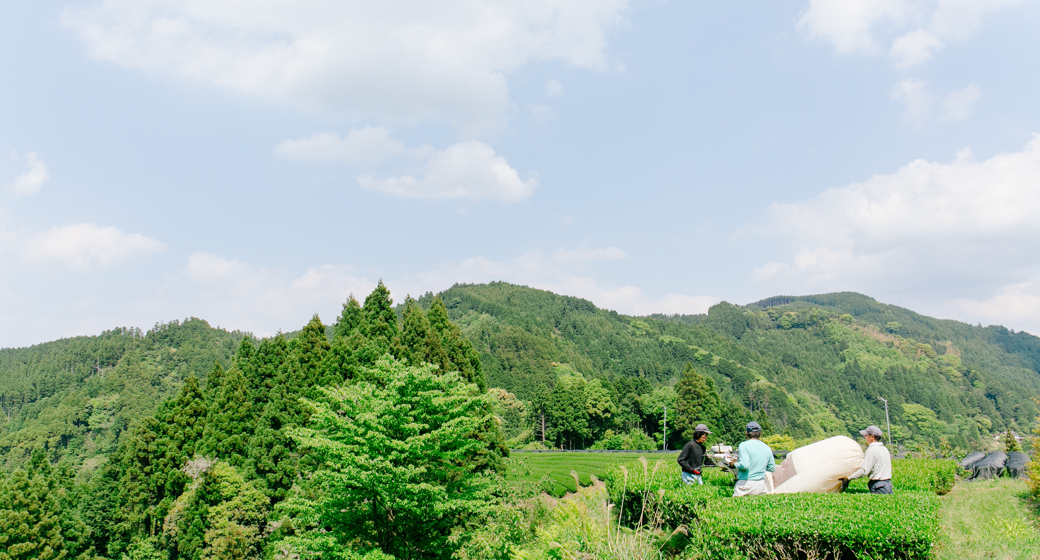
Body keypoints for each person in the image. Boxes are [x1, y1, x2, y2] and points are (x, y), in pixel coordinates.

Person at [730, 421, 775, 497]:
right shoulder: (767, 448)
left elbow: (745, 465)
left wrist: (734, 464)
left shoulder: (743, 445)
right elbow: (772, 468)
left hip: (745, 484)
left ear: (746, 433)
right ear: (760, 434)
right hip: (760, 485)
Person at [848, 425, 893, 494]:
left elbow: (864, 471)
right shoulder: (884, 449)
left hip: (878, 486)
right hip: (887, 485)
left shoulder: (871, 450)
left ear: (872, 437)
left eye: (866, 435)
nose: (864, 437)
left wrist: (848, 478)